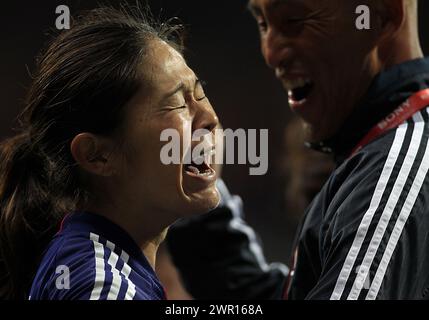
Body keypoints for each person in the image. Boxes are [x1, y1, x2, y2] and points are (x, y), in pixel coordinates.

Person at [167, 0, 429, 299]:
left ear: (379, 17)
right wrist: (196, 193)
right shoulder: (379, 153)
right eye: (263, 24)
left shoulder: (397, 170)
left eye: (294, 20)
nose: (270, 53)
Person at [0, 6, 220, 300]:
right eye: (177, 103)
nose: (209, 117)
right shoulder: (102, 285)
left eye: (199, 92)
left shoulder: (97, 266)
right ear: (97, 156)